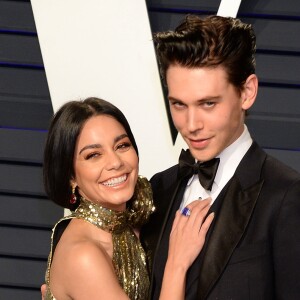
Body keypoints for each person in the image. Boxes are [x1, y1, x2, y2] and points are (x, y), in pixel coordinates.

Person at [140, 15, 300, 300]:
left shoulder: (286, 196)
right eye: (178, 104)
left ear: (247, 92)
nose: (191, 124)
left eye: (208, 104)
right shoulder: (159, 190)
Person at [41, 97, 214, 300]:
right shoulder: (83, 256)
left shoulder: (137, 213)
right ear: (70, 177)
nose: (115, 162)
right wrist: (177, 263)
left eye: (122, 145)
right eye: (93, 155)